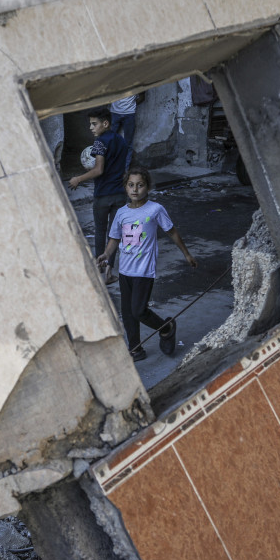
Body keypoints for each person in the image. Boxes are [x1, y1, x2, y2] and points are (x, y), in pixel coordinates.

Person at [96, 166, 197, 361]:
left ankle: (166, 327)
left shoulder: (155, 209)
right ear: (125, 187)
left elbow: (172, 232)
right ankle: (135, 349)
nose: (135, 190)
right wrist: (106, 255)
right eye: (131, 185)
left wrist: (186, 254)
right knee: (127, 313)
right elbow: (114, 239)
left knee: (139, 310)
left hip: (144, 270)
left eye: (140, 185)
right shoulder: (121, 213)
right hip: (125, 271)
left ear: (147, 187)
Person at [69, 106, 128, 284]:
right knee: (115, 234)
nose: (91, 128)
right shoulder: (121, 140)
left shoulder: (100, 142)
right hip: (119, 194)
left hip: (103, 195)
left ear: (105, 123)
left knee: (101, 232)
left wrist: (78, 179)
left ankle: (99, 268)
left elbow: (98, 169)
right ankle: (109, 272)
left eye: (94, 124)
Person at [110, 95, 137, 169]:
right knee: (108, 140)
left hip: (130, 113)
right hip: (114, 112)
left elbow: (142, 96)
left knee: (128, 143)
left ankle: (125, 169)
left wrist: (129, 106)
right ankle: (107, 166)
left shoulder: (136, 83)